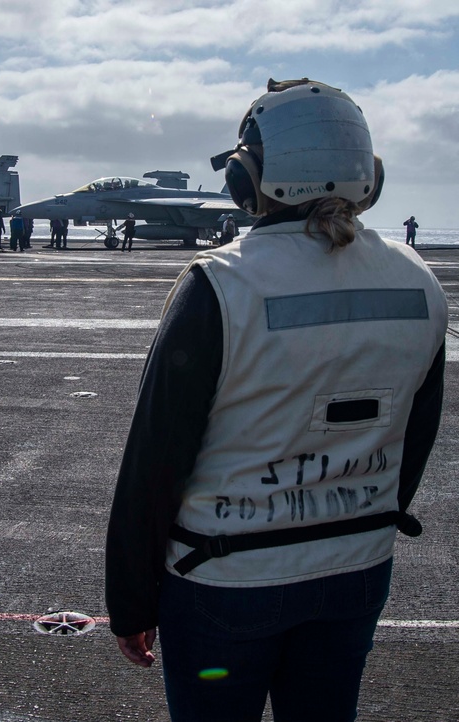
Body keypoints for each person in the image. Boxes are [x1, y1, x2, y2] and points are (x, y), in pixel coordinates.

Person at [105, 78, 447, 722]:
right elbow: (416, 438)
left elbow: (154, 461)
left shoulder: (221, 284)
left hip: (227, 581)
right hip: (356, 570)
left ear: (249, 178)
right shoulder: (418, 281)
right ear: (366, 176)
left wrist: (130, 599)